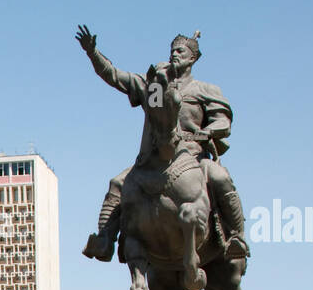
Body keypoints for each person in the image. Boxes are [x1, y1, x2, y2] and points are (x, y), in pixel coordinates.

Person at [76, 26, 249, 264]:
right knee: (118, 183)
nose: (174, 55)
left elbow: (223, 123)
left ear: (193, 58)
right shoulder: (153, 88)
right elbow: (115, 76)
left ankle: (236, 237)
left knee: (219, 176)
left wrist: (206, 132)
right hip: (152, 157)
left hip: (192, 156)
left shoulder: (205, 90)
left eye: (180, 51)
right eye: (172, 51)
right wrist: (93, 53)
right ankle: (105, 239)